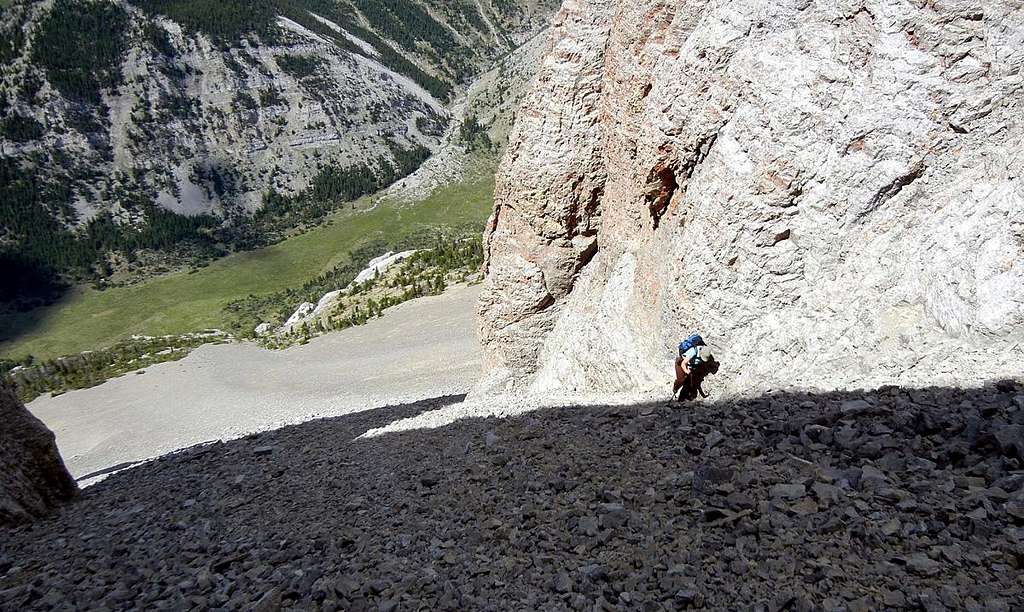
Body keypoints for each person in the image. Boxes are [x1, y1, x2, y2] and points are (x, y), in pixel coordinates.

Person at [673, 332, 717, 401]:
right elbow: (683, 364)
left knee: (688, 383)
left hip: (691, 366)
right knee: (681, 380)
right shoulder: (693, 351)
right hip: (681, 362)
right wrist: (687, 372)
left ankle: (681, 400)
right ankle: (675, 389)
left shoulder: (706, 353)